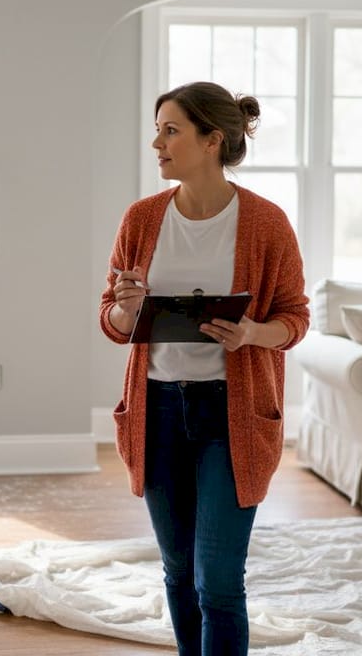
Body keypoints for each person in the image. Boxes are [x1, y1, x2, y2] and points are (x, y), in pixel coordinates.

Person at [98, 81, 310, 656]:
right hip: (158, 410)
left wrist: (251, 333)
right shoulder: (142, 219)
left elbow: (295, 318)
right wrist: (127, 308)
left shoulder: (266, 223)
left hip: (230, 415)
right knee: (178, 570)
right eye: (157, 131)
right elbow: (112, 321)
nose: (157, 144)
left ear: (212, 140)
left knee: (216, 580)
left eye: (171, 131)